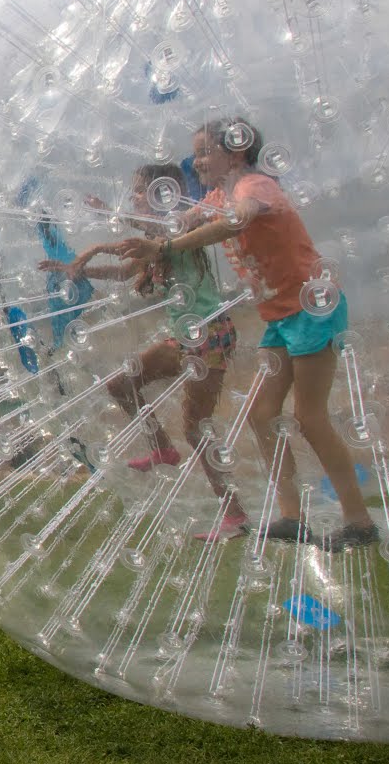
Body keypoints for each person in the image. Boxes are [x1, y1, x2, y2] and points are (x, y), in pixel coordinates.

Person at [117, 118, 379, 550]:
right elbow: (182, 224)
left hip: (312, 309)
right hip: (282, 317)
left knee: (310, 418)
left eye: (204, 152)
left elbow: (237, 222)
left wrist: (164, 248)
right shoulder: (221, 196)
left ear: (235, 153)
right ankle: (292, 518)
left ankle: (359, 523)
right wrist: (140, 228)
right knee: (262, 415)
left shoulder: (255, 187)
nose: (197, 162)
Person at [39, 163, 241, 540]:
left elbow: (159, 233)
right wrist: (77, 270)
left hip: (209, 337)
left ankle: (235, 515)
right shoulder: (156, 244)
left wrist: (103, 232)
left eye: (138, 192)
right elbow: (123, 273)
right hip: (185, 337)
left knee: (196, 429)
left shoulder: (182, 229)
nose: (132, 197)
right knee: (122, 385)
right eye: (132, 192)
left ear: (161, 194)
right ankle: (163, 449)